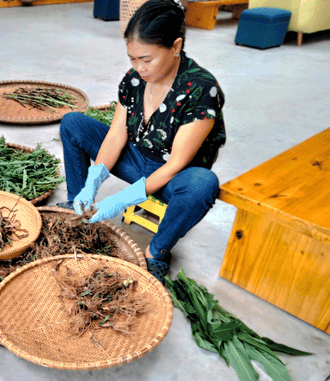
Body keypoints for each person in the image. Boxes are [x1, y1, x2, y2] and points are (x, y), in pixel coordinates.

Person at [56, 0, 226, 283]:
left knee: (203, 185)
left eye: (146, 59)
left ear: (176, 47)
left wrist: (122, 199)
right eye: (132, 59)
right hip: (136, 158)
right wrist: (94, 180)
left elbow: (174, 165)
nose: (139, 68)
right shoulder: (134, 80)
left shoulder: (201, 90)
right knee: (73, 123)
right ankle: (78, 204)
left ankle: (157, 251)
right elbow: (116, 135)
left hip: (172, 177)